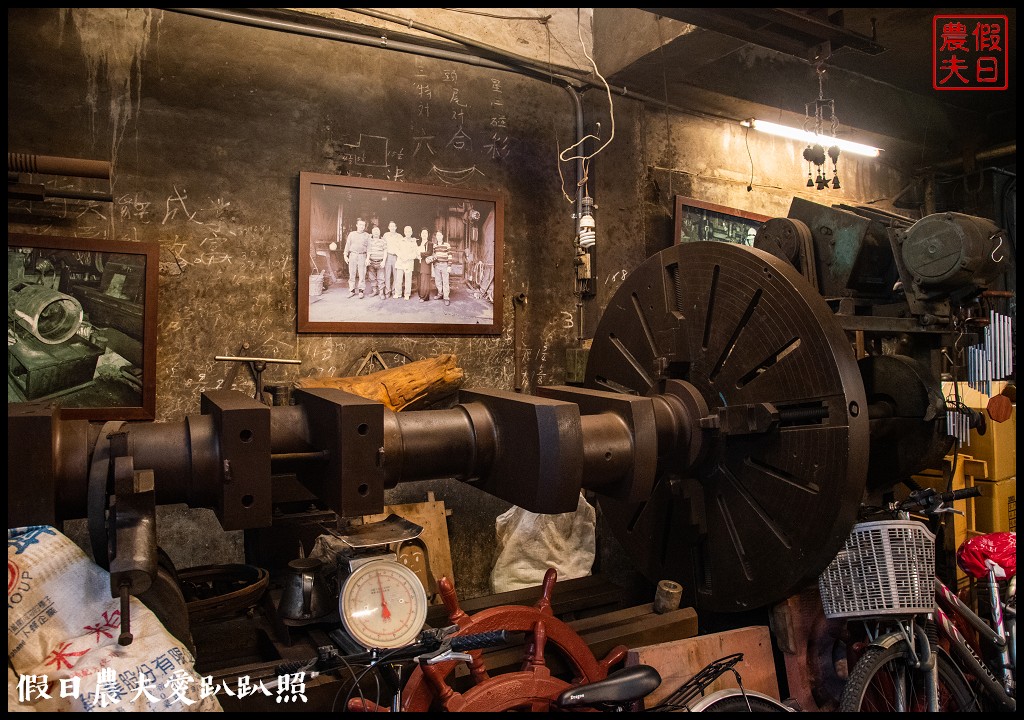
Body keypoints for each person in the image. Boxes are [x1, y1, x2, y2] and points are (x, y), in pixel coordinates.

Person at [343, 218, 371, 298]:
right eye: (360, 225)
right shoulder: (352, 234)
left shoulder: (367, 235)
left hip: (362, 255)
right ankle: (351, 290)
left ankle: (361, 291)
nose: (362, 226)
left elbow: (369, 248)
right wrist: (345, 255)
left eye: (363, 225)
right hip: (353, 255)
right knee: (352, 273)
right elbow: (347, 245)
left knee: (362, 274)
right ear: (357, 225)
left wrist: (367, 258)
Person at [393, 225, 420, 300]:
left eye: (409, 231)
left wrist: (408, 257)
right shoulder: (400, 240)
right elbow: (396, 250)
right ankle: (397, 293)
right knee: (399, 278)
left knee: (408, 279)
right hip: (400, 262)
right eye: (406, 231)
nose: (408, 233)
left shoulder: (413, 241)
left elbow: (415, 253)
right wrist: (401, 256)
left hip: (409, 262)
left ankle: (407, 294)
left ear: (411, 232)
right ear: (404, 232)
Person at [381, 220, 403, 298]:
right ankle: (387, 291)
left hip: (396, 257)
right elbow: (382, 246)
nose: (392, 228)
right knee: (387, 275)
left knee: (396, 275)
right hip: (388, 256)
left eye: (394, 226)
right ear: (388, 227)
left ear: (396, 227)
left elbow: (402, 247)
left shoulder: (399, 236)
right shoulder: (385, 235)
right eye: (391, 226)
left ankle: (394, 291)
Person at [431, 230, 453, 305]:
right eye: (437, 235)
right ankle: (440, 294)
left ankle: (446, 297)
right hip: (437, 265)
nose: (439, 237)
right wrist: (434, 264)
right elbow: (433, 256)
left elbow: (450, 255)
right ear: (436, 237)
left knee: (445, 281)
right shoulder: (434, 246)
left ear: (442, 236)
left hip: (445, 265)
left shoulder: (447, 245)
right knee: (438, 281)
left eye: (440, 235)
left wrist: (449, 266)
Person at [365, 225, 388, 296]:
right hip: (371, 262)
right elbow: (368, 251)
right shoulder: (369, 241)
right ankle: (375, 291)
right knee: (372, 278)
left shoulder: (383, 241)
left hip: (380, 262)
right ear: (372, 233)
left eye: (377, 231)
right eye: (374, 231)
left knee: (381, 278)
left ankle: (381, 293)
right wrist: (367, 259)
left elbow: (385, 251)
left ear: (380, 232)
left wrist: (384, 261)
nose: (376, 233)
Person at [416, 227, 434, 302]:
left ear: (428, 235)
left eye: (425, 233)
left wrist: (420, 253)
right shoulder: (418, 243)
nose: (424, 234)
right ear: (420, 234)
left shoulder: (430, 243)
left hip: (425, 263)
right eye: (422, 233)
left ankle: (424, 297)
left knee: (425, 280)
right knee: (419, 279)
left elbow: (429, 252)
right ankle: (420, 295)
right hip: (419, 263)